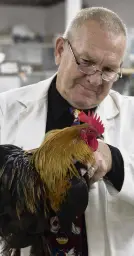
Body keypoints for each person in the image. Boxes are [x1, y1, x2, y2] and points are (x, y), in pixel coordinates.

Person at [0, 6, 134, 256]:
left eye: (108, 71)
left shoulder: (132, 114)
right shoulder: (4, 108)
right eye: (86, 62)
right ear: (60, 50)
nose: (95, 80)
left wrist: (115, 162)